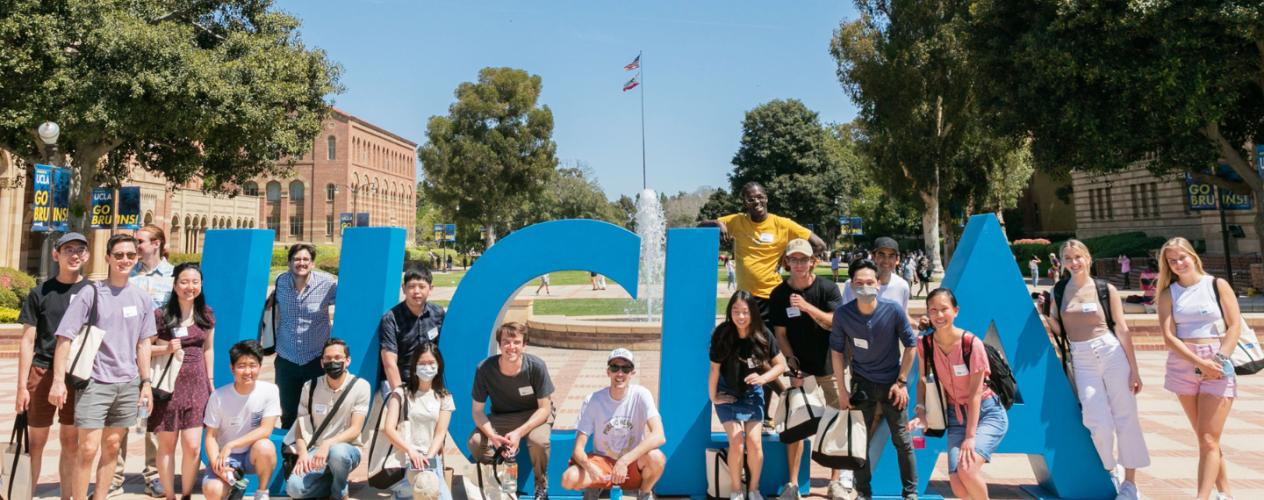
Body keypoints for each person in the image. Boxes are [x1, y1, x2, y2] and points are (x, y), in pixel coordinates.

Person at [50, 234, 157, 500]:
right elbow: (65, 338)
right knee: (87, 448)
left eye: (130, 255)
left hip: (129, 382)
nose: (124, 260)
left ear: (137, 258)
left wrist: (146, 383)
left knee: (111, 446)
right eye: (118, 255)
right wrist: (58, 380)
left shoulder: (142, 298)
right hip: (95, 382)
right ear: (107, 258)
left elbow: (143, 344)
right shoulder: (91, 292)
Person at [1046, 241, 1148, 500]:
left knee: (1126, 417)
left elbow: (1122, 329)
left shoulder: (1105, 288)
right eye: (1067, 258)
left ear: (1087, 258)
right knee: (1095, 420)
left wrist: (1134, 371)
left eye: (1077, 256)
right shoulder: (1058, 290)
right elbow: (1060, 331)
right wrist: (1044, 317)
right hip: (1081, 357)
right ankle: (1109, 470)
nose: (1073, 262)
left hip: (1111, 352)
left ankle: (1130, 484)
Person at [1156, 237, 1239, 500]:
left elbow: (1235, 325)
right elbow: (1169, 337)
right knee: (1206, 439)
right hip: (1184, 364)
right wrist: (1199, 363)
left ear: (1193, 256)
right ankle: (1225, 494)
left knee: (1207, 439)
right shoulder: (1169, 294)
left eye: (1182, 257)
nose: (1179, 263)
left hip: (1217, 362)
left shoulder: (1217, 285)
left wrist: (1219, 360)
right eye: (1172, 260)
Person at [908, 289, 1009, 500]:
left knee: (967, 471)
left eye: (944, 309)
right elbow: (922, 381)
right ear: (927, 312)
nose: (939, 315)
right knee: (958, 487)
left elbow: (974, 394)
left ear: (955, 311)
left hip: (986, 412)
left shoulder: (971, 344)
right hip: (955, 417)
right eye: (933, 310)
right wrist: (920, 411)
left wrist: (970, 437)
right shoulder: (924, 344)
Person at [830, 259, 918, 500]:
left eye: (870, 282)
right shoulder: (842, 315)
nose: (864, 287)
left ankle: (910, 493)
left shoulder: (893, 310)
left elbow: (912, 346)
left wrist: (901, 382)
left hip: (892, 384)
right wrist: (843, 390)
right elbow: (837, 352)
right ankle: (864, 493)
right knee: (859, 443)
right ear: (851, 286)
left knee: (902, 440)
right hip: (862, 385)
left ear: (878, 284)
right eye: (859, 283)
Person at [766, 240, 844, 500]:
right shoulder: (778, 295)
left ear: (813, 261)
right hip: (801, 369)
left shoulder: (828, 288)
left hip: (830, 366)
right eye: (794, 259)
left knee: (835, 420)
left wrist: (807, 306)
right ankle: (792, 485)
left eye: (804, 259)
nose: (799, 264)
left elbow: (836, 323)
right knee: (796, 423)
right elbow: (781, 333)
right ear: (787, 262)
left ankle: (835, 483)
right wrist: (791, 362)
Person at [17, 233, 91, 500]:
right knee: (35, 444)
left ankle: (66, 497)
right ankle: (25, 495)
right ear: (56, 254)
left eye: (80, 250)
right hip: (42, 371)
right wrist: (21, 388)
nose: (74, 255)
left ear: (87, 256)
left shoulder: (92, 292)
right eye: (68, 249)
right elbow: (27, 341)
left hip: (76, 375)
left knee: (70, 442)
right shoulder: (40, 292)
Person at [699, 182, 827, 320]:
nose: (756, 202)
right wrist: (718, 223)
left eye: (760, 197)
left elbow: (820, 245)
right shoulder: (736, 221)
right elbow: (700, 227)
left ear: (766, 198)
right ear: (744, 203)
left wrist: (786, 257)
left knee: (774, 339)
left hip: (773, 296)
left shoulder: (783, 224)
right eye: (750, 199)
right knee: (741, 339)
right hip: (745, 297)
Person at [709, 291, 788, 500]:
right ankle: (736, 491)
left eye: (745, 311)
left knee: (754, 442)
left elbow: (781, 365)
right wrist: (714, 397)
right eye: (736, 311)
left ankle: (753, 490)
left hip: (752, 395)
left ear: (753, 313)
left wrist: (763, 379)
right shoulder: (722, 333)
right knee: (737, 442)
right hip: (728, 395)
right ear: (730, 312)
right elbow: (714, 370)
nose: (741, 316)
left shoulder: (762, 333)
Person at [561, 349, 666, 500]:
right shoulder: (593, 400)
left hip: (632, 465)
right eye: (615, 367)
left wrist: (624, 460)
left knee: (656, 457)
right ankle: (594, 486)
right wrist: (590, 469)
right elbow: (577, 450)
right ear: (608, 372)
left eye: (626, 368)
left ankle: (644, 494)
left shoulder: (641, 395)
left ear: (632, 373)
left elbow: (659, 436)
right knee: (568, 479)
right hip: (603, 464)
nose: (620, 373)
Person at [148, 263, 215, 500]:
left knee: (193, 446)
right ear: (175, 285)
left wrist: (210, 381)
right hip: (168, 386)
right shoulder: (161, 315)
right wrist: (165, 348)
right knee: (166, 445)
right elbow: (143, 347)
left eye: (195, 282)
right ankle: (170, 496)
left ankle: (186, 494)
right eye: (184, 282)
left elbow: (208, 349)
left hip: (197, 385)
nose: (190, 287)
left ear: (201, 285)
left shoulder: (206, 313)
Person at [117, 224, 174, 497]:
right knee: (119, 418)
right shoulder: (126, 276)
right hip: (125, 357)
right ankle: (114, 478)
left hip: (160, 360)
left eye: (139, 242)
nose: (135, 247)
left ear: (157, 244)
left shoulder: (175, 277)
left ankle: (154, 477)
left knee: (155, 420)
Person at [469, 323, 556, 500]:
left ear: (524, 345)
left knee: (539, 441)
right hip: (503, 415)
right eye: (506, 342)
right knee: (476, 441)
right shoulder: (484, 369)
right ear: (499, 345)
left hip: (534, 413)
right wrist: (494, 438)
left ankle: (541, 485)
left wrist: (518, 433)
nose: (511, 347)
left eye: (516, 342)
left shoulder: (536, 366)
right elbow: (477, 411)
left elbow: (544, 408)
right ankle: (499, 480)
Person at [285, 338, 372, 500]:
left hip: (347, 449)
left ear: (347, 361)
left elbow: (355, 429)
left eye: (338, 358)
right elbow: (300, 429)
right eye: (328, 358)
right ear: (321, 362)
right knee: (294, 489)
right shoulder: (309, 387)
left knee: (337, 453)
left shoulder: (361, 386)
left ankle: (339, 491)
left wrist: (327, 443)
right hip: (314, 450)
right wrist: (303, 453)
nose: (333, 362)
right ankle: (330, 484)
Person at [202, 340, 281, 500]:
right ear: (232, 368)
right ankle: (232, 489)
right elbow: (210, 437)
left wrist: (232, 445)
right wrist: (218, 466)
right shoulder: (218, 396)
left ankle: (261, 493)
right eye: (241, 365)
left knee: (266, 446)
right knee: (213, 491)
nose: (247, 371)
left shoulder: (270, 390)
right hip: (226, 457)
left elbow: (266, 431)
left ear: (259, 366)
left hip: (252, 454)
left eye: (252, 365)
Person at [274, 244, 338, 430]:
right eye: (296, 259)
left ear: (312, 264)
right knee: (288, 413)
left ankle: (314, 454)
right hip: (287, 359)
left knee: (318, 411)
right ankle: (288, 455)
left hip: (316, 359)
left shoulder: (326, 283)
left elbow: (350, 299)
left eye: (305, 260)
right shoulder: (280, 283)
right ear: (289, 263)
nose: (300, 263)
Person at [382, 343, 455, 500]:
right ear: (414, 366)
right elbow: (389, 429)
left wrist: (427, 459)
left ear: (438, 366)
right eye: (421, 363)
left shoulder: (445, 397)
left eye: (431, 363)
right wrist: (411, 452)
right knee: (419, 493)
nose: (426, 367)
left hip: (430, 459)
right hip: (404, 457)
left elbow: (440, 434)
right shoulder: (400, 393)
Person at [379, 267, 445, 394]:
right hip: (400, 382)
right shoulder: (390, 319)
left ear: (430, 289)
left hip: (430, 380)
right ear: (404, 289)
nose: (416, 291)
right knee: (407, 413)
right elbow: (389, 363)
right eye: (411, 286)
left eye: (422, 286)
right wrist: (399, 395)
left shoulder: (438, 314)